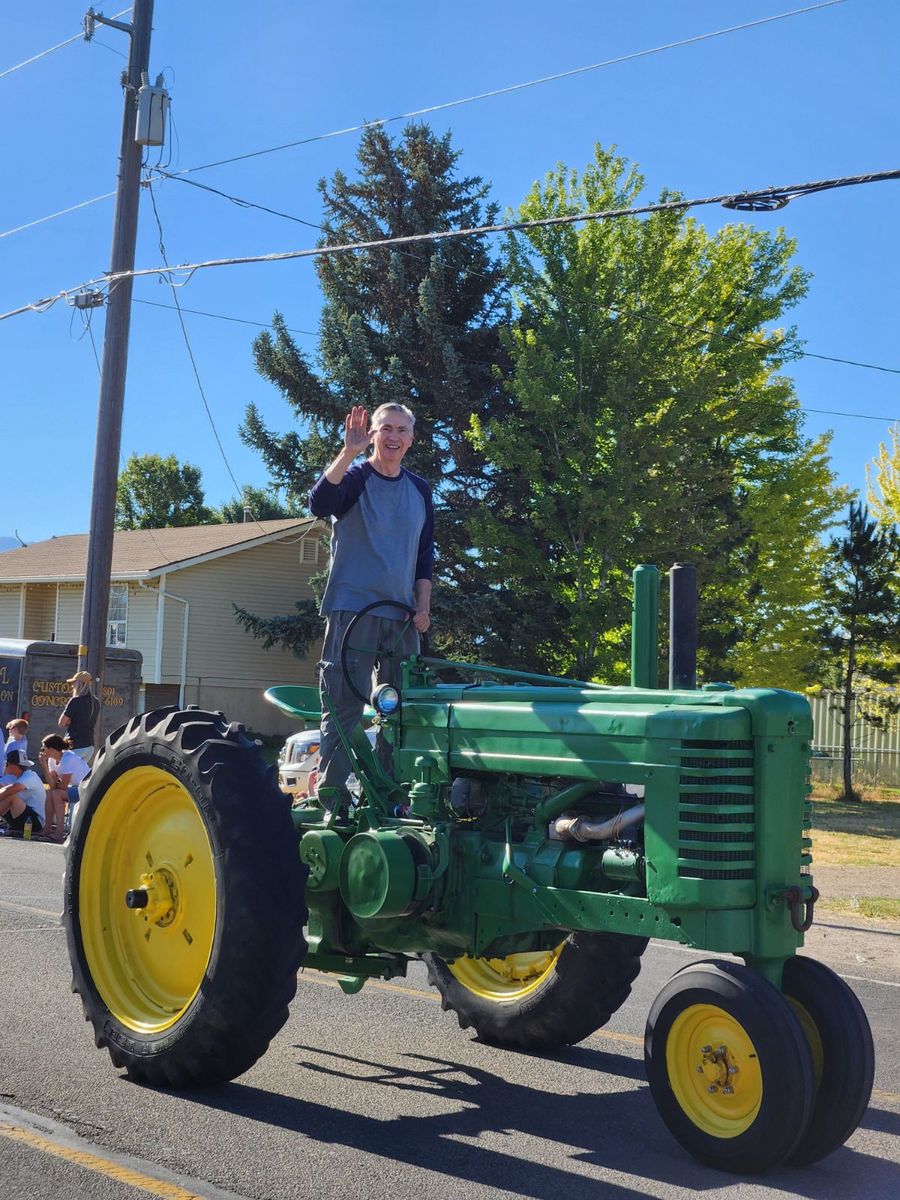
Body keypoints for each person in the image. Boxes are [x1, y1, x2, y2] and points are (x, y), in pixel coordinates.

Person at [308, 402, 433, 807]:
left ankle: (389, 798)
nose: (393, 436)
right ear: (373, 435)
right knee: (344, 707)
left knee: (401, 713)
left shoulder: (420, 490)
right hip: (352, 611)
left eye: (401, 430)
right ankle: (334, 800)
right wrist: (348, 452)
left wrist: (423, 607)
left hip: (400, 618)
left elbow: (424, 555)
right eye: (385, 429)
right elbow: (320, 503)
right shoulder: (356, 477)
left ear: (411, 439)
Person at [38, 734, 90, 843]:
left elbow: (63, 786)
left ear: (51, 749)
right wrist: (44, 767)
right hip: (76, 788)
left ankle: (59, 832)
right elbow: (52, 785)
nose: (42, 751)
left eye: (44, 748)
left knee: (56, 794)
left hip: (87, 789)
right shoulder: (52, 760)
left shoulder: (68, 758)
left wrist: (56, 786)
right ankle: (47, 829)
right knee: (50, 792)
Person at [0, 749, 45, 837]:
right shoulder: (14, 776)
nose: (5, 766)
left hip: (35, 822)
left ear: (14, 766)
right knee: (3, 789)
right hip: (22, 818)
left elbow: (13, 789)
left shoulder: (30, 776)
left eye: (7, 764)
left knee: (11, 796)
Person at [59, 670, 101, 762]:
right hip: (89, 746)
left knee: (64, 774)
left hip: (75, 746)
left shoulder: (75, 701)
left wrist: (70, 721)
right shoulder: (96, 702)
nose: (72, 686)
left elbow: (61, 723)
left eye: (74, 683)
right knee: (79, 775)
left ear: (80, 684)